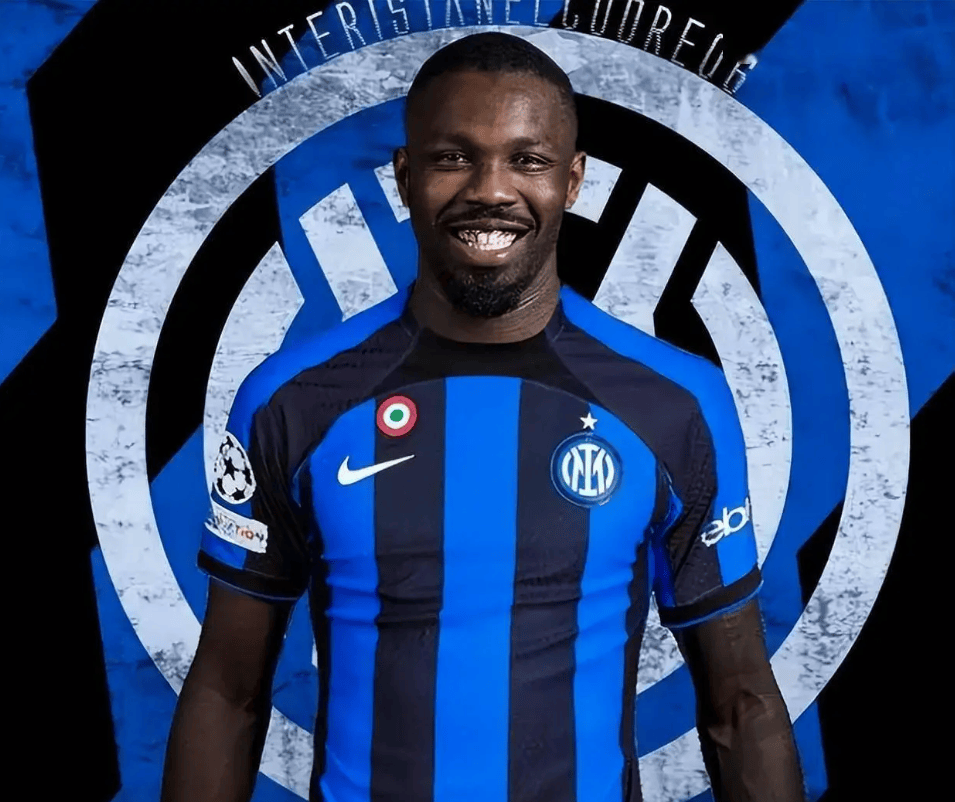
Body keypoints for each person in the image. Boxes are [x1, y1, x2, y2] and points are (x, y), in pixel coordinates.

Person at [162, 32, 805, 802]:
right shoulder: (291, 400)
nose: (490, 190)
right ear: (405, 177)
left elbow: (739, 703)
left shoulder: (675, 402)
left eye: (526, 160)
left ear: (572, 181)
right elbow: (227, 692)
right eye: (452, 157)